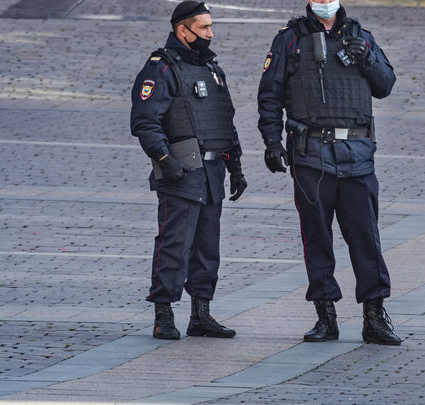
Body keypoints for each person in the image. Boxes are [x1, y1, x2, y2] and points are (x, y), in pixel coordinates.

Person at [257, 0, 401, 346]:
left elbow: (385, 85)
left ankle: (374, 316)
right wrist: (272, 141)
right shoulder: (289, 40)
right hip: (311, 155)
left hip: (358, 157)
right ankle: (325, 316)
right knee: (317, 238)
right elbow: (270, 94)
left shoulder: (361, 36)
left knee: (366, 238)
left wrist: (365, 56)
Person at [130, 1, 247, 340]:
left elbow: (225, 118)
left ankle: (201, 314)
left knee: (208, 248)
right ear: (183, 29)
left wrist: (235, 164)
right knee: (174, 246)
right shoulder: (160, 69)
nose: (211, 33)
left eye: (210, 26)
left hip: (213, 172)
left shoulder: (212, 68)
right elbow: (145, 121)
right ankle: (163, 315)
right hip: (182, 171)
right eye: (204, 27)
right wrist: (165, 160)